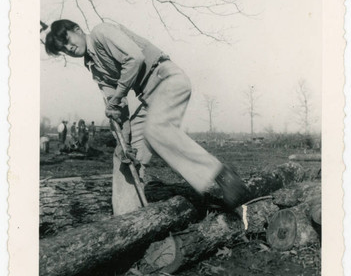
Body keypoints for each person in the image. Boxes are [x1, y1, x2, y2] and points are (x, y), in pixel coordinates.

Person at [45, 19, 250, 215]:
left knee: (156, 130)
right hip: (148, 99)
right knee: (124, 156)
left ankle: (222, 175)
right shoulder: (92, 65)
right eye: (62, 49)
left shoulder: (101, 32)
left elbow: (135, 58)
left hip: (166, 78)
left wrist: (116, 97)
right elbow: (117, 107)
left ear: (77, 29)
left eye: (66, 40)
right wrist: (124, 139)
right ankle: (128, 220)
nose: (68, 48)